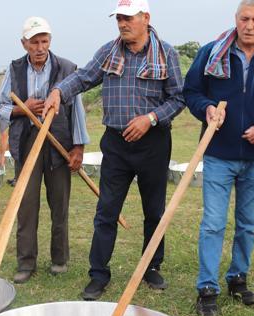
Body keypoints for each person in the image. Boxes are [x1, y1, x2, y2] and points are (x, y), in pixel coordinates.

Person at [43, 0, 185, 300]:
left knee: (154, 211)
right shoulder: (109, 51)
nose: (122, 24)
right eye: (119, 18)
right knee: (106, 210)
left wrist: (150, 119)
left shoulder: (167, 53)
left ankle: (151, 267)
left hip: (153, 143)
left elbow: (178, 98)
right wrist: (57, 91)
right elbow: (83, 78)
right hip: (117, 144)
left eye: (129, 18)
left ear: (146, 18)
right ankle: (98, 274)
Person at [183, 0, 254, 316]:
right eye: (244, 18)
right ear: (235, 19)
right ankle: (207, 288)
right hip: (218, 154)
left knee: (248, 225)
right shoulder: (210, 53)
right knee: (213, 224)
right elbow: (190, 91)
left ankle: (237, 279)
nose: (249, 25)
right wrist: (205, 108)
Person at [0, 16, 89, 283]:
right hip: (27, 144)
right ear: (24, 43)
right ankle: (26, 263)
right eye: (34, 42)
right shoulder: (14, 70)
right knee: (26, 206)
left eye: (44, 41)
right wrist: (22, 108)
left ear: (50, 41)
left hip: (58, 144)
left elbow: (77, 112)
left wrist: (78, 148)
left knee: (59, 204)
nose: (39, 47)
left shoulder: (68, 68)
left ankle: (59, 259)